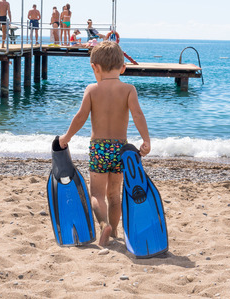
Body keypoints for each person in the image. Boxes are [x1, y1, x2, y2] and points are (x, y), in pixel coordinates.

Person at [58, 41, 151, 246]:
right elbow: (137, 114)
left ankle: (104, 225)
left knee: (97, 194)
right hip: (121, 148)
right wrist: (146, 139)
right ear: (123, 68)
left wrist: (66, 138)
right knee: (114, 195)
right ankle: (115, 230)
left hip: (99, 148)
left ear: (95, 67)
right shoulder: (129, 89)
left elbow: (81, 117)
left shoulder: (92, 89)